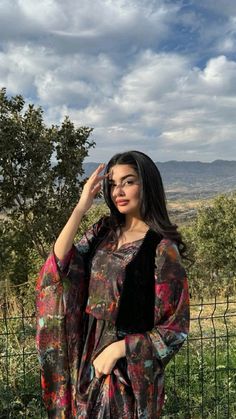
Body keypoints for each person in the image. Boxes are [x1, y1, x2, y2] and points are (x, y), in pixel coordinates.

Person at [36, 150, 190, 418]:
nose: (119, 190)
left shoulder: (162, 249)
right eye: (113, 183)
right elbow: (58, 268)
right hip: (84, 358)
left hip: (126, 375)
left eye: (128, 181)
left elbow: (174, 330)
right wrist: (81, 207)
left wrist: (119, 350)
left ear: (147, 184)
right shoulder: (103, 232)